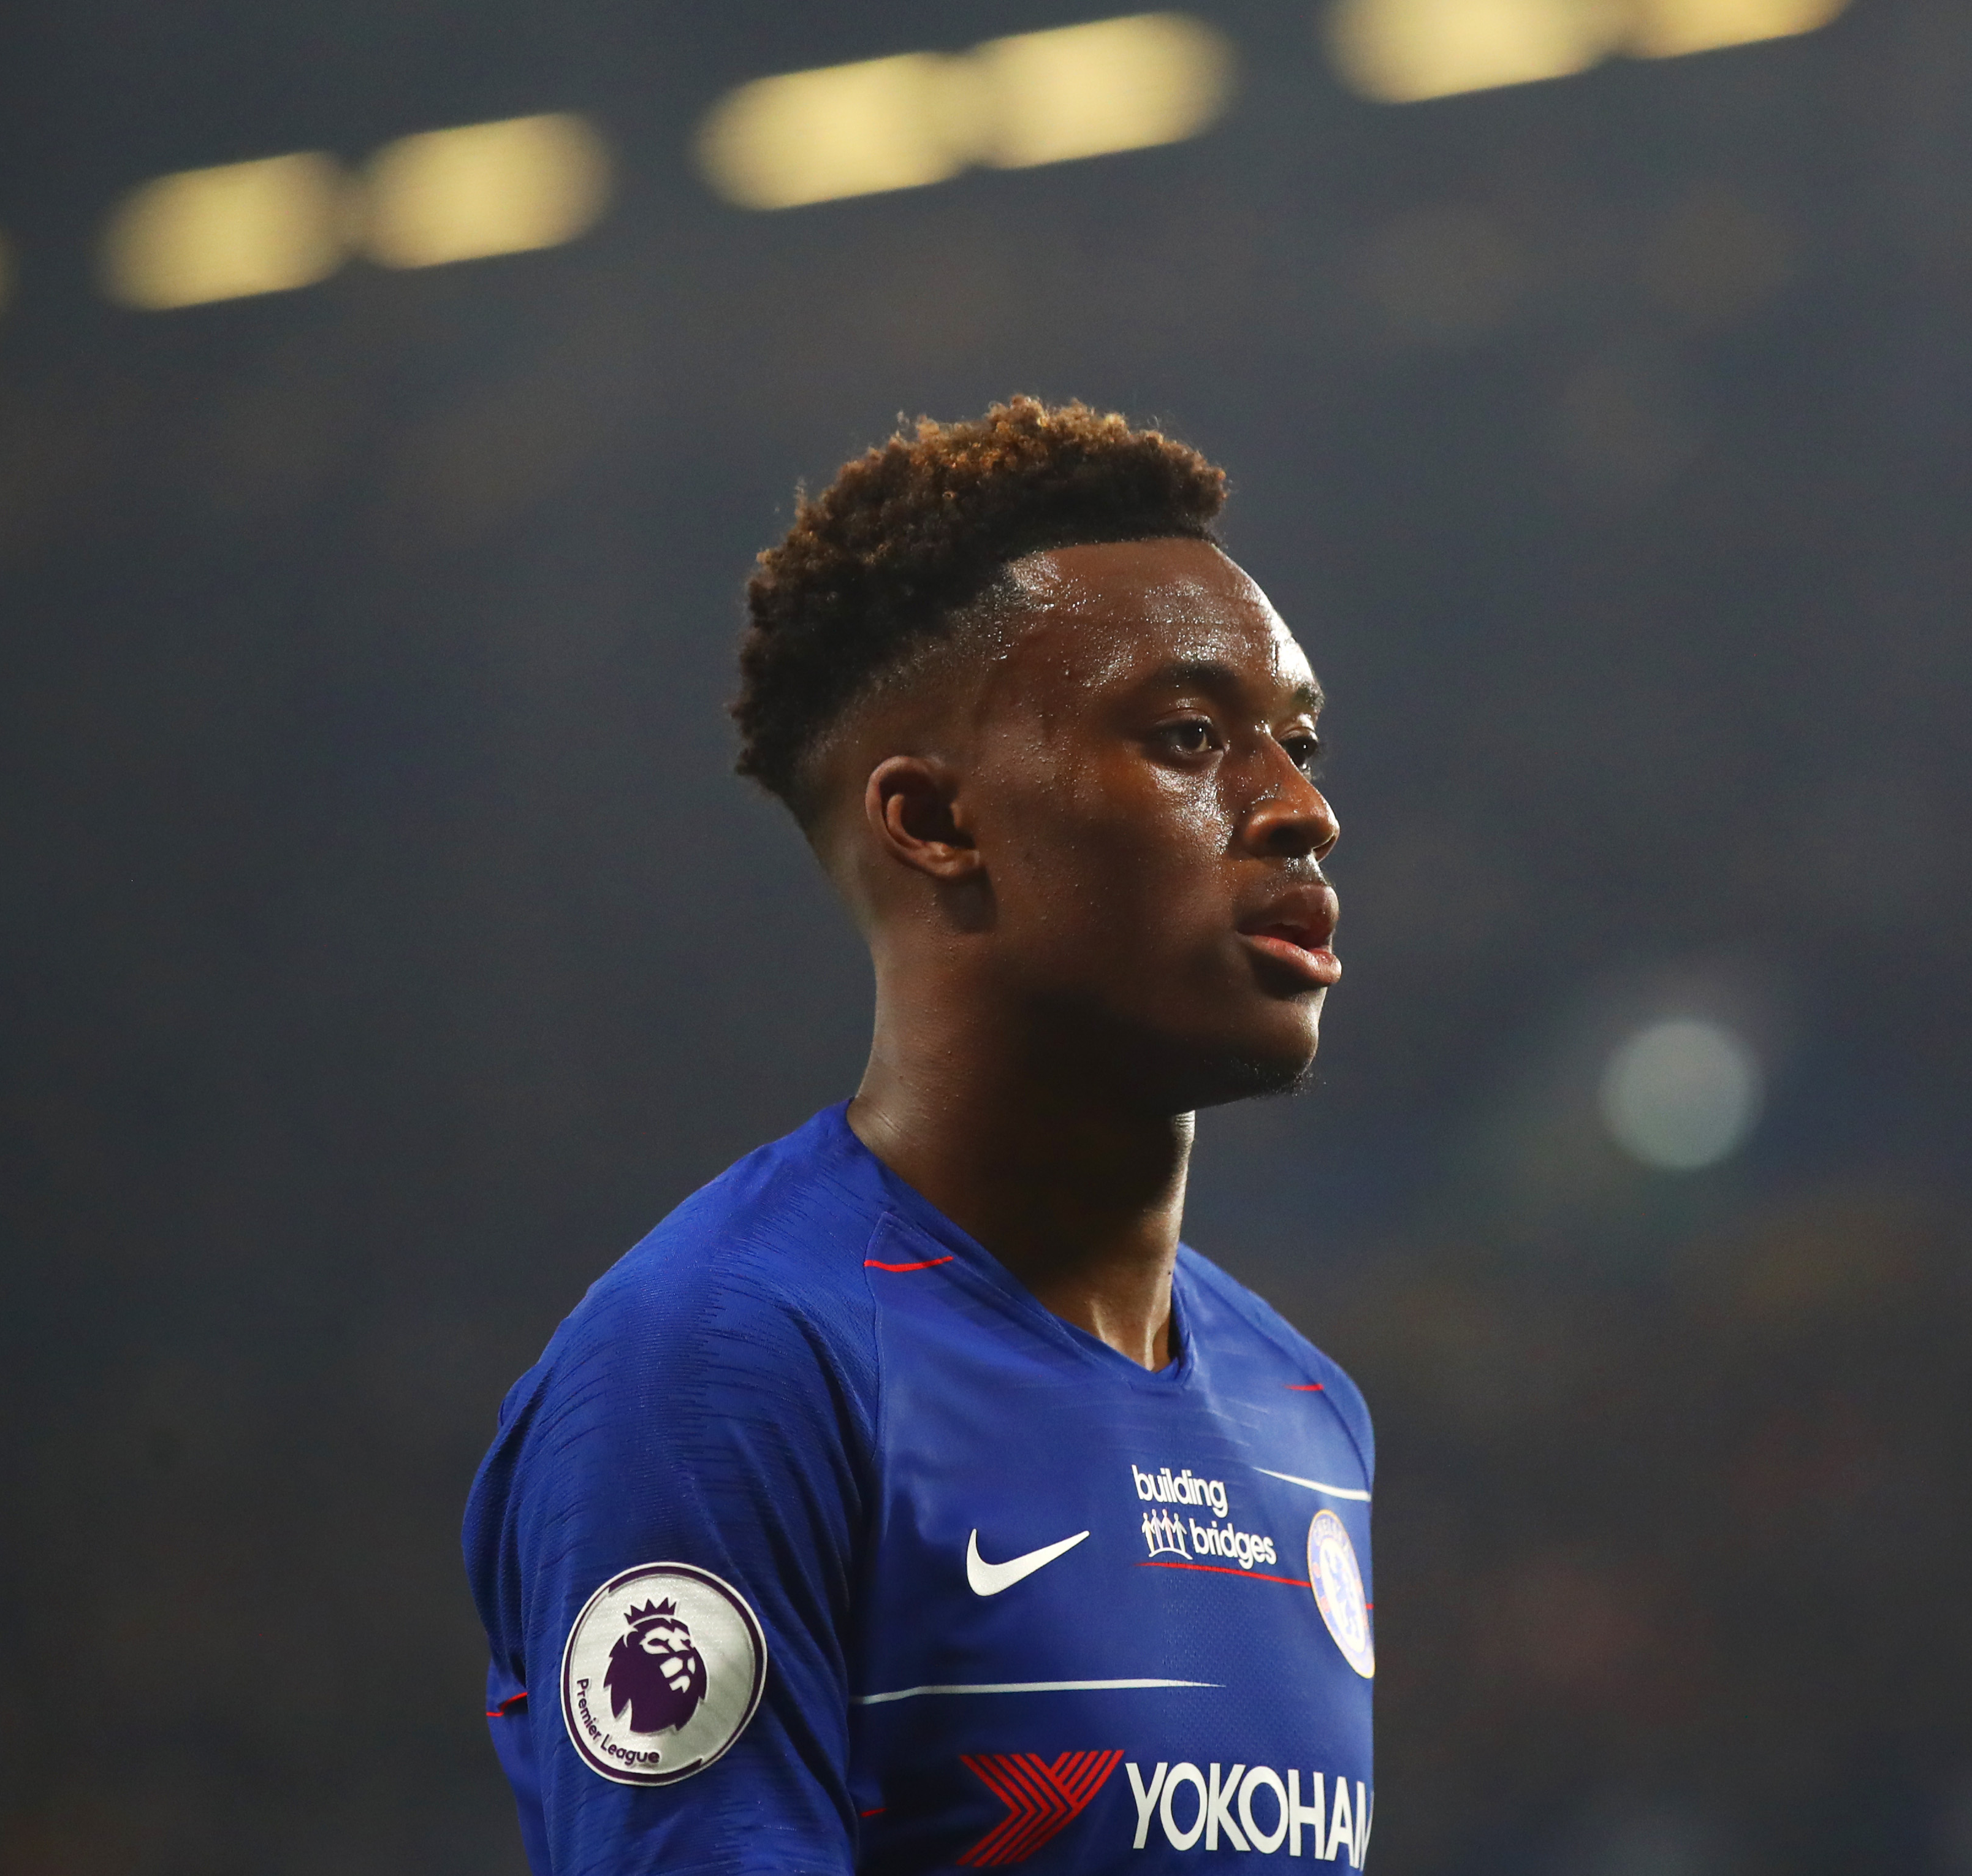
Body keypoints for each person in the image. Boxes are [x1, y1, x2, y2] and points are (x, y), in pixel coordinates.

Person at [465, 398, 1374, 1876]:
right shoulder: (723, 1362)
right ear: (934, 820)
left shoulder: (1307, 1408)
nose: (1298, 809)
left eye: (1302, 743)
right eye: (1194, 737)